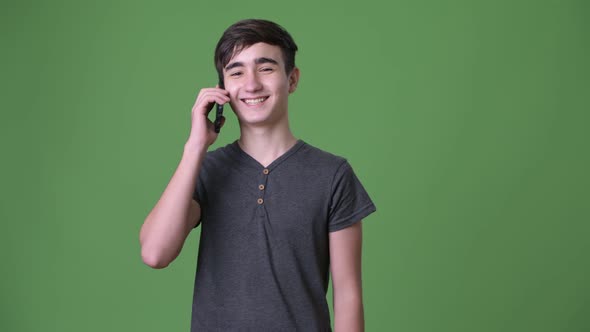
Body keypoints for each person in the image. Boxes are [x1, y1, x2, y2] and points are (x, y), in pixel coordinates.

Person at [139, 19, 377, 331]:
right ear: (222, 90)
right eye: (236, 72)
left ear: (292, 79)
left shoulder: (332, 174)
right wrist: (195, 146)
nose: (251, 84)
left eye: (265, 68)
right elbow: (155, 253)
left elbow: (347, 295)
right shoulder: (206, 170)